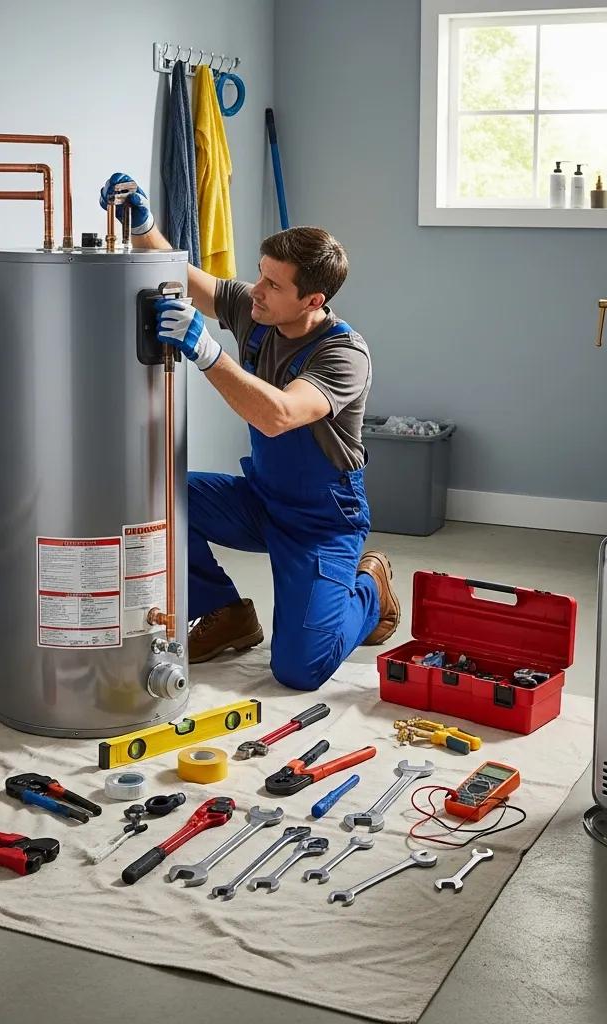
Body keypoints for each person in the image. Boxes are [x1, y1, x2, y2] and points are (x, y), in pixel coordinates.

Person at [100, 173, 400, 691]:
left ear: (313, 300)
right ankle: (226, 613)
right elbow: (187, 275)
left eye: (273, 285)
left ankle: (370, 587)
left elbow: (279, 415)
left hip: (321, 521)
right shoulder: (258, 312)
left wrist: (208, 353)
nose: (255, 291)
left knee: (298, 670)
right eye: (260, 276)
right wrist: (141, 226)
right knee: (152, 494)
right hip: (262, 499)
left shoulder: (344, 354)